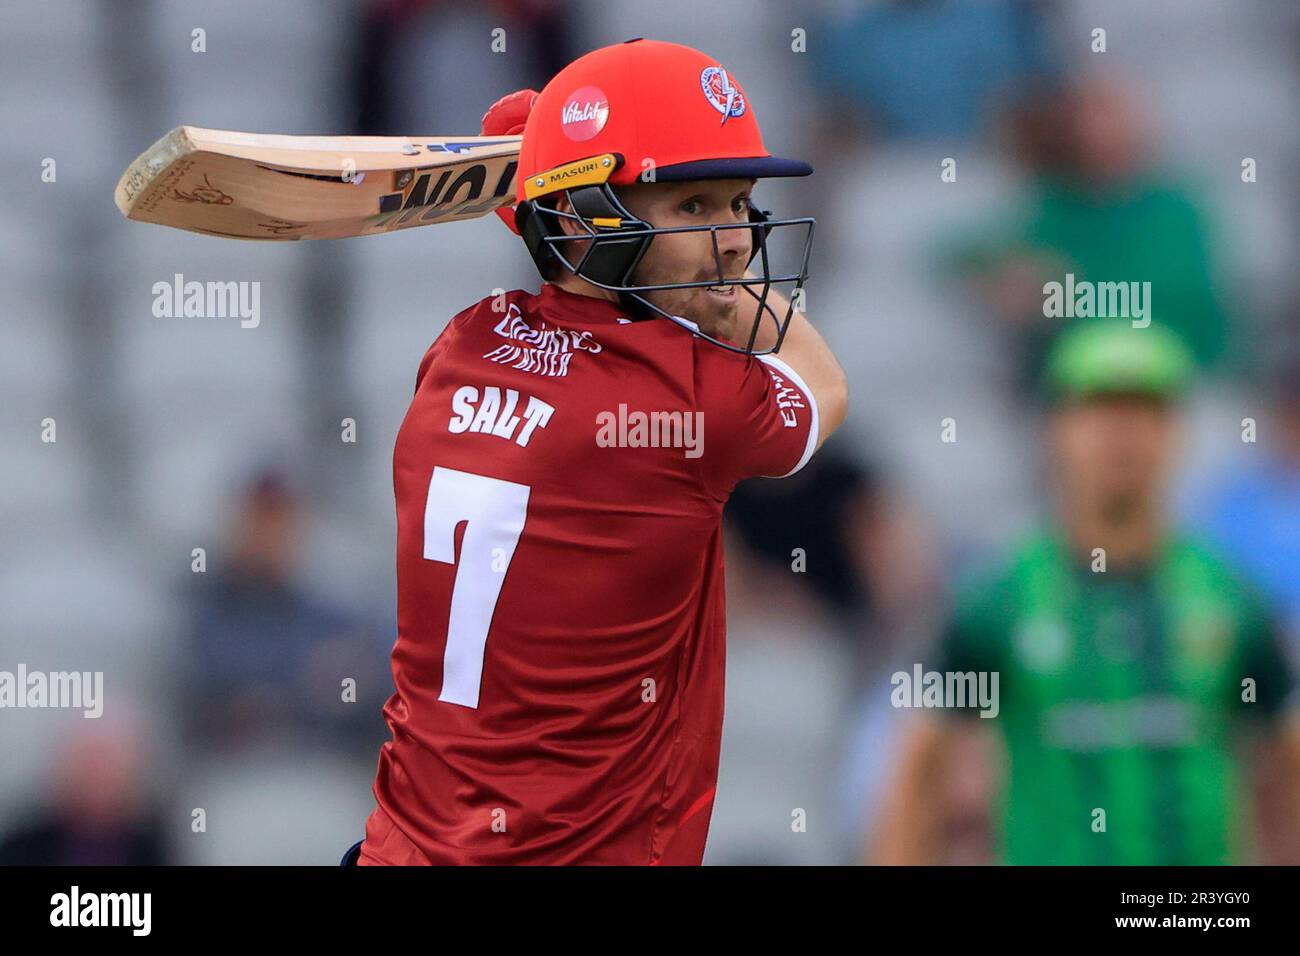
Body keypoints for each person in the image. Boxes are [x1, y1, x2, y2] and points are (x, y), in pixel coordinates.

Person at [354, 39, 848, 865]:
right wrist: (728, 307)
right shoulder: (695, 402)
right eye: (696, 208)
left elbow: (569, 292)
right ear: (593, 221)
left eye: (739, 203)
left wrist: (560, 191)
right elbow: (824, 388)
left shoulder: (461, 342)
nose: (734, 242)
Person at [870, 322, 1300, 865]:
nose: (1123, 436)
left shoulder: (1233, 599)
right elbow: (920, 769)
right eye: (1100, 410)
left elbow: (1286, 767)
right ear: (1056, 428)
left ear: (1177, 431)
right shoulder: (998, 600)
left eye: (1145, 412)